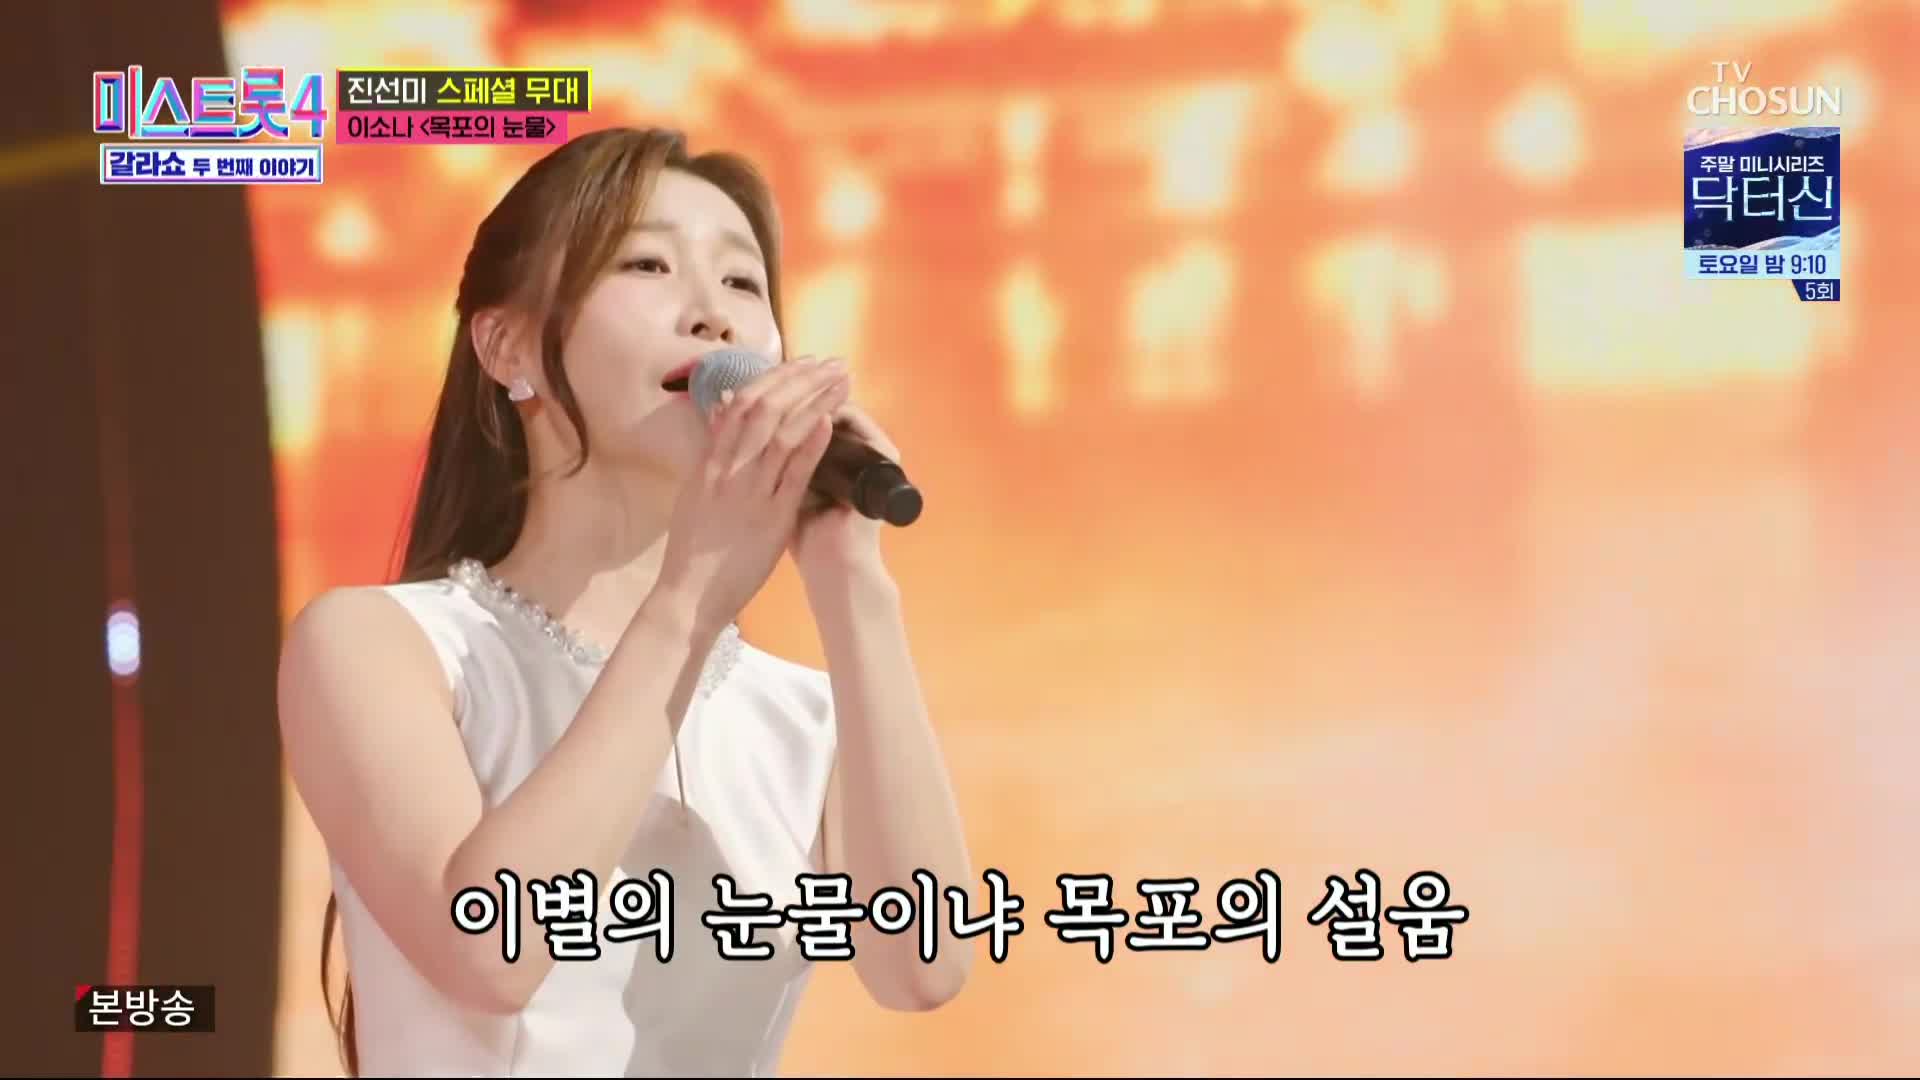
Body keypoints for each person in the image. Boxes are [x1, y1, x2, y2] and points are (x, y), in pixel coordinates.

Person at [277, 126, 974, 1078]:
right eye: (648, 264)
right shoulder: (380, 646)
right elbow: (491, 949)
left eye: (743, 283)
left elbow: (923, 966)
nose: (713, 317)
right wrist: (691, 598)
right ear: (507, 345)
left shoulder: (795, 716)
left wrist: (852, 581)